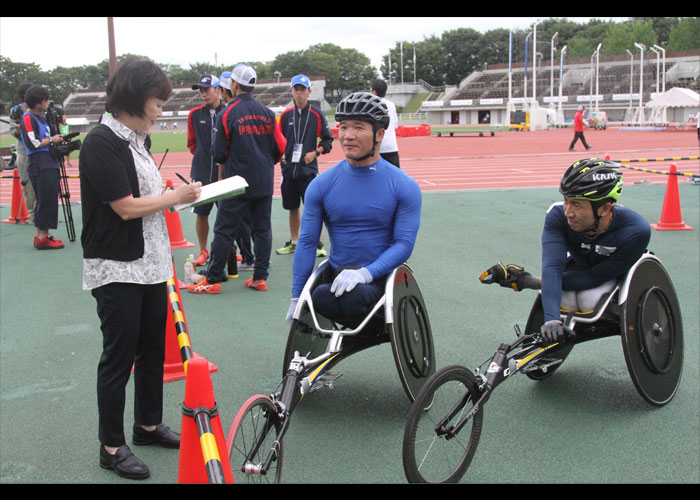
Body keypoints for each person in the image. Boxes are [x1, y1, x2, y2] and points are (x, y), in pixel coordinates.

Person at [78, 57, 202, 480]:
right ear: (135, 97)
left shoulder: (137, 140)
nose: (161, 109)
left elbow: (143, 197)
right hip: (116, 268)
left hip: (151, 264)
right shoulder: (101, 141)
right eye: (157, 100)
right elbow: (126, 208)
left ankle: (147, 425)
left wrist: (169, 193)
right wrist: (176, 197)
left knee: (153, 351)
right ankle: (111, 446)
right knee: (118, 358)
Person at [286, 92, 422, 328]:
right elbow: (307, 242)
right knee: (319, 296)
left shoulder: (404, 186)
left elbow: (404, 244)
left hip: (380, 281)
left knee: (353, 297)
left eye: (358, 128)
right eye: (343, 127)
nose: (348, 136)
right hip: (337, 280)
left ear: (379, 134)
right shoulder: (321, 185)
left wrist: (366, 274)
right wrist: (297, 296)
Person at [479, 158, 650, 344]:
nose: (568, 212)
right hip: (580, 266)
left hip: (610, 277)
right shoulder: (557, 216)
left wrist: (530, 282)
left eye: (576, 205)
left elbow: (594, 277)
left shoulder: (636, 231)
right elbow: (552, 268)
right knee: (567, 298)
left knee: (586, 299)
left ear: (605, 208)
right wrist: (552, 319)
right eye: (566, 201)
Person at [188, 63, 286, 294]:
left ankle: (212, 280)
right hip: (263, 180)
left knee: (224, 229)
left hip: (236, 182)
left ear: (234, 84)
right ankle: (259, 277)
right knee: (262, 229)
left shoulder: (228, 113)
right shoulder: (268, 113)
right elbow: (279, 147)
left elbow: (218, 152)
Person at [276, 74, 334, 257]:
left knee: (312, 208)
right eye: (296, 89)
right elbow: (277, 141)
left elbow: (328, 140)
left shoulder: (317, 114)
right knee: (292, 208)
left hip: (308, 170)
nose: (299, 93)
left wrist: (315, 153)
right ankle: (294, 242)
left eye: (303, 89)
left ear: (309, 91)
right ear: (291, 91)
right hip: (288, 171)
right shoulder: (285, 116)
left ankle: (316, 244)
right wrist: (280, 156)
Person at [186, 74, 226, 267]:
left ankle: (230, 249)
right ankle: (204, 250)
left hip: (224, 172)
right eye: (200, 90)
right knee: (202, 212)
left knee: (227, 212)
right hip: (201, 172)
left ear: (218, 89)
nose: (203, 94)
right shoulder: (195, 114)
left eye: (207, 89)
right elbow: (192, 142)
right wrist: (203, 158)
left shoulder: (228, 111)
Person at [19, 85, 65, 249]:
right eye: (45, 99)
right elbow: (33, 143)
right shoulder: (28, 118)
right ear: (38, 102)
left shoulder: (42, 117)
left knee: (49, 198)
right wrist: (52, 140)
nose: (48, 102)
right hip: (40, 162)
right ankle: (42, 237)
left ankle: (43, 235)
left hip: (49, 161)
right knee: (45, 199)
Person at [10, 83, 36, 223]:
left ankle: (42, 213)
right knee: (27, 184)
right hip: (24, 151)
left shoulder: (41, 109)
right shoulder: (16, 110)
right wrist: (19, 130)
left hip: (40, 151)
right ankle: (32, 214)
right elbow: (12, 131)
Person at [370, 78, 400, 168]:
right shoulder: (391, 105)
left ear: (374, 91)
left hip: (375, 148)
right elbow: (395, 125)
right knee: (395, 177)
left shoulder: (370, 105)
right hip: (391, 147)